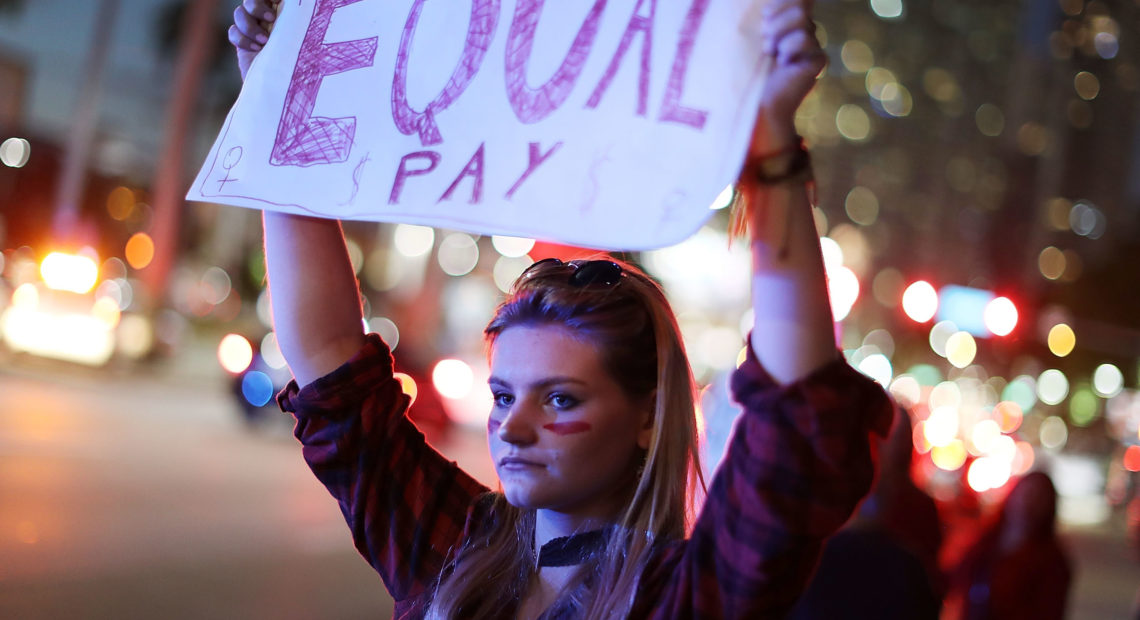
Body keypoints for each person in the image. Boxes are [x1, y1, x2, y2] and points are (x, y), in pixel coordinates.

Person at [229, 0, 893, 617]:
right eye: (502, 394)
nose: (512, 429)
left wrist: (772, 149)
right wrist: (277, 111)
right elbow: (333, 369)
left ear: (648, 418)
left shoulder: (683, 595)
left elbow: (797, 411)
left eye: (561, 400)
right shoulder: (454, 543)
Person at [944, 471, 1073, 620]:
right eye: (1025, 494)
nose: (1027, 503)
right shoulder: (989, 540)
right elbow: (957, 576)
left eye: (1037, 498)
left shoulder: (1052, 561)